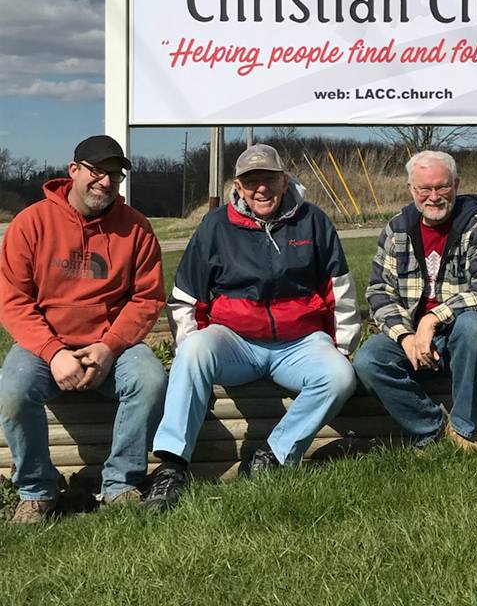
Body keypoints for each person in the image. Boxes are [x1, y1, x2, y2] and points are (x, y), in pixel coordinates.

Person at [143, 144, 361, 510]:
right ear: (239, 187)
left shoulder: (313, 221)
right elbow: (185, 297)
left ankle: (274, 455)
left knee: (340, 375)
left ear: (284, 179)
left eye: (269, 179)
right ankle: (172, 466)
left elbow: (340, 291)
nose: (261, 188)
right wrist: (189, 367)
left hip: (300, 343)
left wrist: (341, 348)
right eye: (251, 181)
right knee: (194, 350)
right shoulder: (216, 225)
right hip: (235, 341)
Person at [0, 135, 167, 522]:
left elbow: (146, 300)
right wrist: (54, 353)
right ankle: (37, 489)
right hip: (44, 343)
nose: (106, 182)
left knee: (151, 380)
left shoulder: (136, 229)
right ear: (73, 171)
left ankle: (120, 482)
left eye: (115, 175)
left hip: (112, 345)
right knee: (13, 390)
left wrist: (109, 348)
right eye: (97, 171)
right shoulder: (31, 224)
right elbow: (14, 301)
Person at [353, 150, 477, 451]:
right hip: (412, 337)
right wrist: (405, 336)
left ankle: (465, 428)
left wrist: (434, 317)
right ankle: (434, 429)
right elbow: (378, 291)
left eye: (442, 187)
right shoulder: (397, 228)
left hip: (460, 340)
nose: (434, 196)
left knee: (474, 327)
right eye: (424, 189)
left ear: (456, 184)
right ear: (411, 189)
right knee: (368, 358)